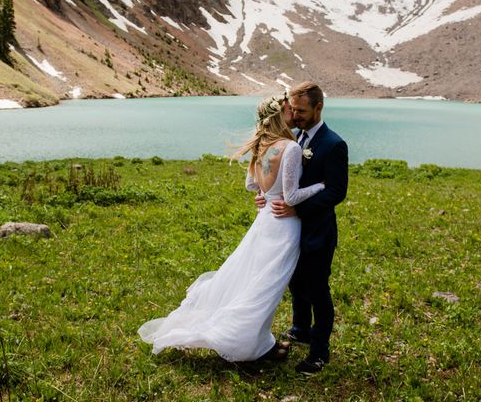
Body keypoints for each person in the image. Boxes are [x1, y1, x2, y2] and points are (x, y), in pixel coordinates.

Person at [138, 94, 325, 362]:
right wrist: (321, 186)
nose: (293, 115)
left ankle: (263, 342)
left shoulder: (261, 144)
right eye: (288, 110)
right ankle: (248, 344)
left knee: (255, 280)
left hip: (264, 221)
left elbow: (251, 185)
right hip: (283, 225)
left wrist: (264, 193)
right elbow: (292, 197)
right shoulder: (290, 147)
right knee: (267, 286)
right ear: (278, 116)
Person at [257, 81, 348, 374]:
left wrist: (298, 207)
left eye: (301, 110)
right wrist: (265, 194)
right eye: (292, 109)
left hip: (318, 230)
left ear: (318, 107)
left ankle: (319, 352)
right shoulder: (293, 137)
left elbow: (336, 191)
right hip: (291, 229)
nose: (295, 115)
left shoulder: (334, 144)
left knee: (317, 289)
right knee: (296, 283)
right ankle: (300, 328)